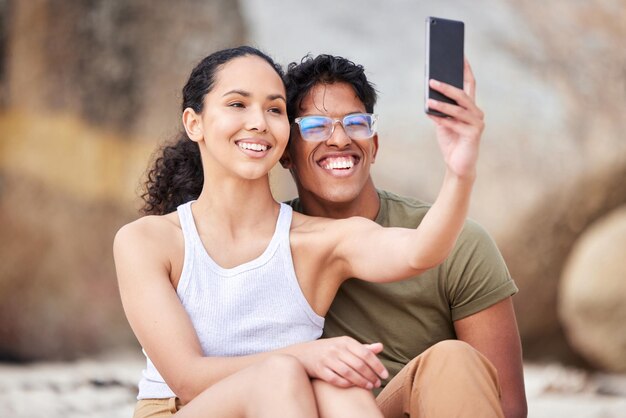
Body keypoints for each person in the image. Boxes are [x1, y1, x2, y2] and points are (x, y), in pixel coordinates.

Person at [113, 45, 480, 417]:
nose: (258, 121)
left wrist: (459, 171)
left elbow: (420, 250)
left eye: (274, 109)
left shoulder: (316, 241)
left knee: (342, 390)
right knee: (282, 375)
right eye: (238, 104)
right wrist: (303, 356)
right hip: (181, 409)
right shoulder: (148, 241)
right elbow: (187, 378)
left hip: (286, 405)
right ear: (195, 123)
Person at [281, 54, 527, 418]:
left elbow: (507, 405)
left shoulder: (457, 241)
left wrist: (461, 173)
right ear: (286, 152)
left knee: (452, 358)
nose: (340, 139)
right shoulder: (269, 243)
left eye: (356, 123)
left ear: (374, 146)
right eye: (316, 126)